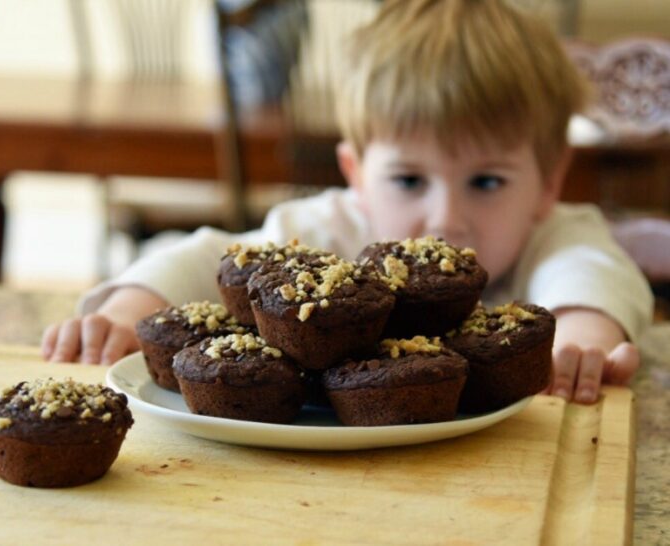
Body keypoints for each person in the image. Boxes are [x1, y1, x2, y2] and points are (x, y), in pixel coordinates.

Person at [42, 0, 653, 405]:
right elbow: (208, 259)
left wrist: (580, 339)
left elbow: (594, 274)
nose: (445, 218)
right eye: (409, 181)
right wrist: (127, 312)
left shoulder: (556, 233)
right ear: (356, 174)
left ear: (549, 181)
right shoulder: (325, 232)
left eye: (487, 182)